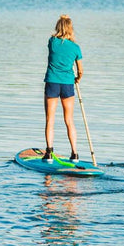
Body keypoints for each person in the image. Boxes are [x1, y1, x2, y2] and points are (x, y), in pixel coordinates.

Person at [43, 15, 83, 162]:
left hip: (52, 83)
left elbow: (56, 37)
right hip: (67, 84)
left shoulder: (52, 42)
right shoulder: (75, 47)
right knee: (69, 120)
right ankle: (74, 154)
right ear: (71, 29)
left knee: (50, 119)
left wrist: (63, 19)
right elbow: (81, 71)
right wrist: (77, 79)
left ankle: (49, 153)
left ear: (58, 27)